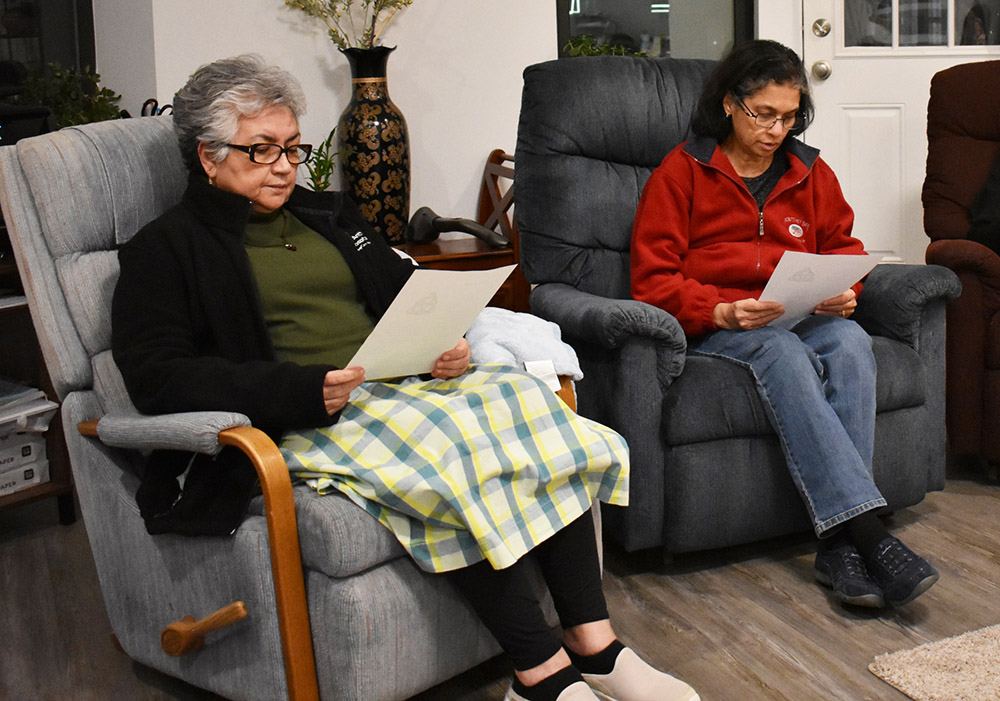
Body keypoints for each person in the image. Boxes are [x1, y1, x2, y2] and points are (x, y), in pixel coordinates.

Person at [111, 55, 699, 701]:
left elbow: (402, 294)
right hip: (307, 410)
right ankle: (538, 672)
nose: (284, 165)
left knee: (535, 411)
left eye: (292, 148)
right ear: (209, 156)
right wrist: (297, 388)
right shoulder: (164, 249)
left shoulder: (326, 215)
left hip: (399, 383)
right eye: (262, 150)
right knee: (448, 455)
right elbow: (157, 375)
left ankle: (596, 644)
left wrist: (441, 343)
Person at [630, 40, 939, 610]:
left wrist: (846, 291)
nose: (776, 130)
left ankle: (838, 548)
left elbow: (845, 248)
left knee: (849, 340)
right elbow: (652, 282)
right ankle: (868, 531)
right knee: (779, 351)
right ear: (729, 104)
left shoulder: (809, 172)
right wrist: (718, 310)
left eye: (789, 117)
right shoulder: (682, 173)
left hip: (799, 314)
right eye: (763, 115)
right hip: (723, 324)